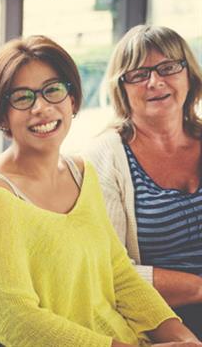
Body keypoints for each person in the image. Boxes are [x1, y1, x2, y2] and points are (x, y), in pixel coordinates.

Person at [0, 35, 198, 346]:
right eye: (22, 97)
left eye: (53, 90)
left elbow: (119, 274)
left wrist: (181, 335)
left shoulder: (83, 174)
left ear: (72, 100)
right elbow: (15, 320)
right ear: (2, 114)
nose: (41, 107)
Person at [83, 25, 202, 333]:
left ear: (188, 73)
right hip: (163, 320)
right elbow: (109, 272)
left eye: (168, 68)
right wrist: (198, 287)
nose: (155, 81)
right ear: (121, 87)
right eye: (139, 74)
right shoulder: (105, 157)